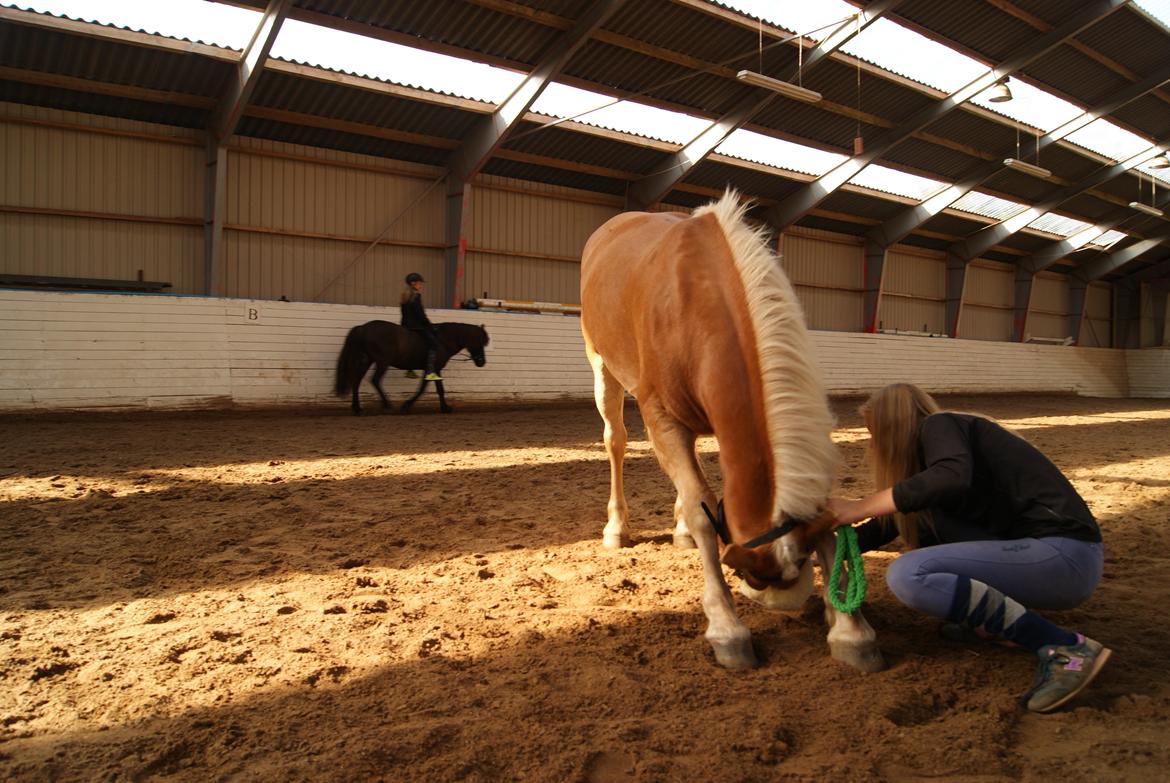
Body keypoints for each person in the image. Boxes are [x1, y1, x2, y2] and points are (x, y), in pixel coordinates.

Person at [827, 383, 1110, 713]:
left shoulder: (941, 425)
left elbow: (950, 476)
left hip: (1063, 557)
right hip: (1050, 557)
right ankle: (990, 626)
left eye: (876, 435)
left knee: (909, 574)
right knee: (926, 526)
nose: (875, 445)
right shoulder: (947, 456)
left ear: (894, 425)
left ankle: (1064, 647)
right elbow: (896, 522)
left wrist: (862, 505)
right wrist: (829, 553)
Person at [400, 272, 442, 381]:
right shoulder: (416, 296)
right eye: (419, 283)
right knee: (434, 344)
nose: (421, 285)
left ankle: (409, 370)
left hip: (405, 326)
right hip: (416, 327)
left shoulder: (404, 296)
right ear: (413, 283)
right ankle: (430, 372)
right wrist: (430, 326)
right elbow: (420, 315)